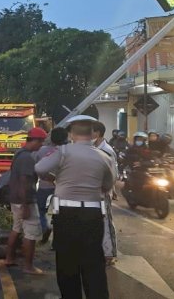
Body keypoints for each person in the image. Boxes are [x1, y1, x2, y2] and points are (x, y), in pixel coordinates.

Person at [35, 117, 114, 299]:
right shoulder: (104, 156)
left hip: (66, 215)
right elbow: (108, 184)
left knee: (67, 263)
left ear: (71, 133)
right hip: (93, 215)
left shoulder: (62, 152)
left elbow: (39, 168)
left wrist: (54, 177)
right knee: (94, 263)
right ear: (92, 135)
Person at [5, 127, 47, 275]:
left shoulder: (19, 154)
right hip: (24, 200)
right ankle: (28, 266)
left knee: (16, 228)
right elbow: (24, 182)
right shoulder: (27, 158)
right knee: (31, 233)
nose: (41, 146)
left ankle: (9, 258)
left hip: (15, 198)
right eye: (40, 142)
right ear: (34, 141)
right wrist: (26, 205)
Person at [33, 127, 68, 243]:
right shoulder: (67, 152)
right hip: (61, 189)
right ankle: (57, 241)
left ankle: (45, 227)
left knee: (40, 210)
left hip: (44, 187)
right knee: (59, 214)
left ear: (51, 138)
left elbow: (36, 166)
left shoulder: (42, 151)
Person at [92, 122, 118, 266]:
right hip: (95, 192)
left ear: (97, 133)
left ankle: (110, 253)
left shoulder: (106, 151)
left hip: (103, 191)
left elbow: (112, 174)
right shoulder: (96, 149)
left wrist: (110, 190)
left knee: (106, 221)